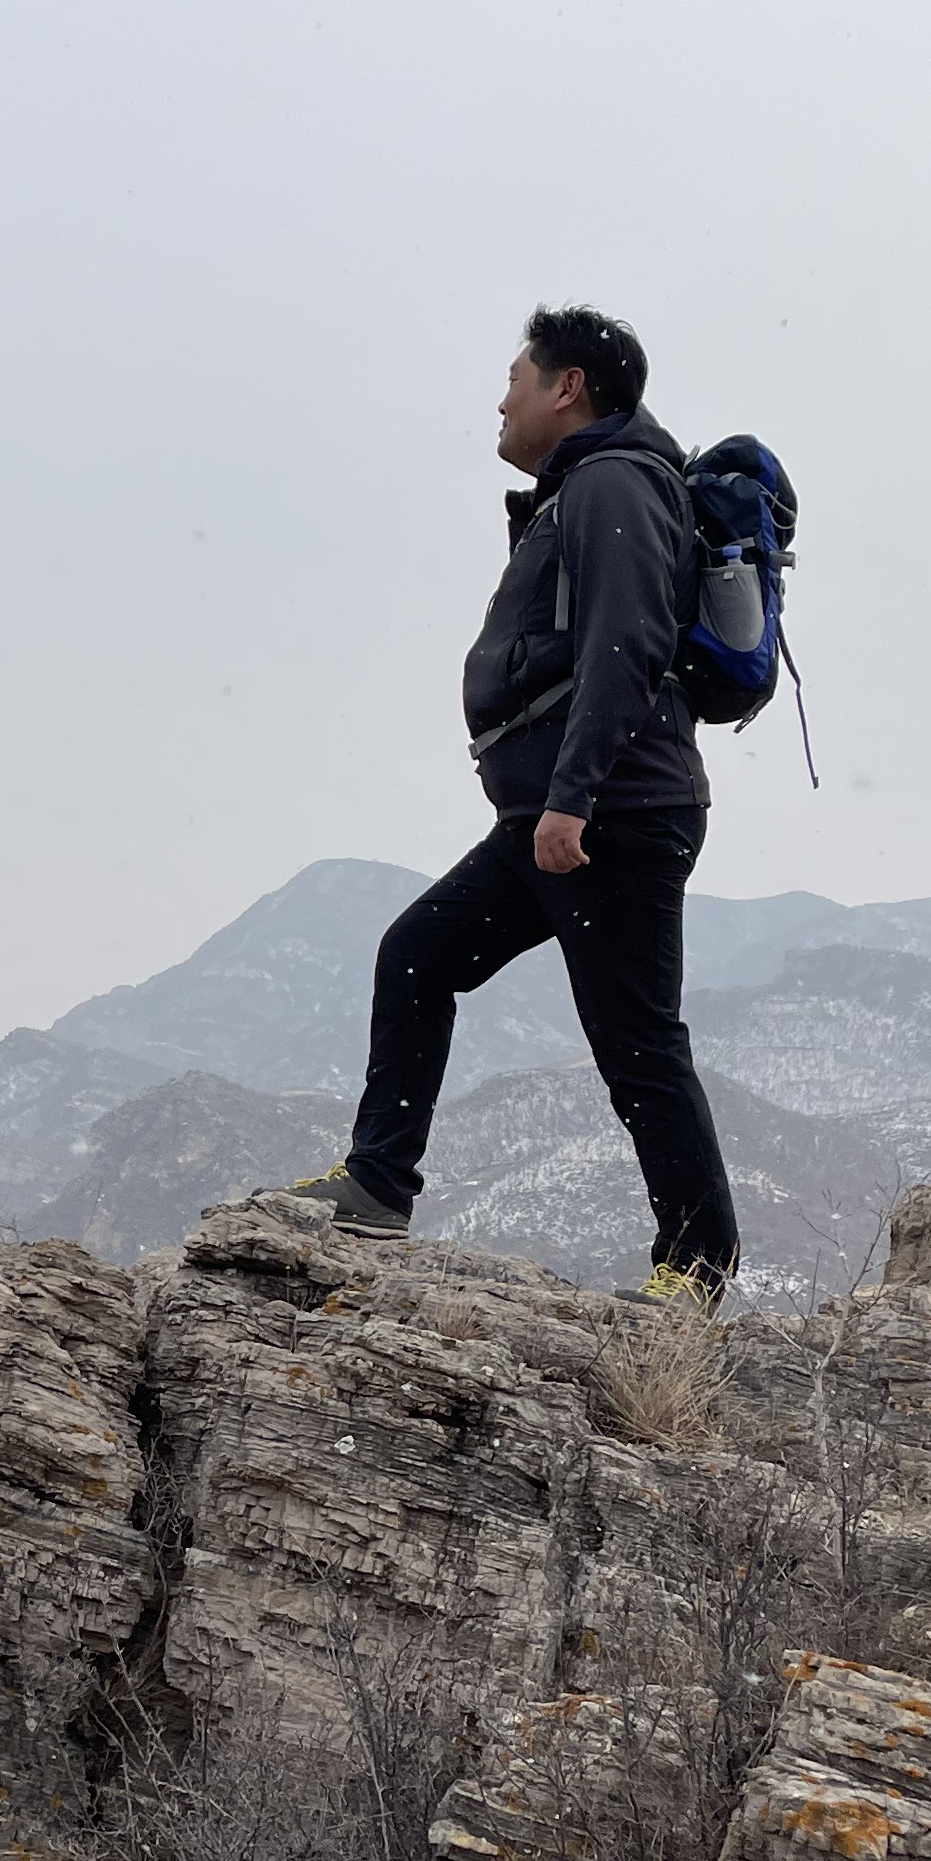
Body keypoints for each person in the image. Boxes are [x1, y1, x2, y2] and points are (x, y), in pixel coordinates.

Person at [268, 305, 741, 1304]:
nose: (500, 401)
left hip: (608, 815)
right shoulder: (586, 489)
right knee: (418, 955)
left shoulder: (614, 484)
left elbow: (625, 645)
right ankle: (378, 1185)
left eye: (516, 380)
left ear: (569, 387)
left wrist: (573, 797)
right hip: (557, 818)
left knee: (637, 1042)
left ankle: (697, 1271)